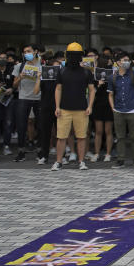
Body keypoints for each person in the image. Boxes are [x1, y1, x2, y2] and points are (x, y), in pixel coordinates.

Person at [52, 42, 95, 171]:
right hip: (64, 109)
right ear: (67, 56)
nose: (74, 58)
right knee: (61, 137)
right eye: (72, 55)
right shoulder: (62, 71)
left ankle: (81, 161)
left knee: (82, 137)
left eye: (76, 55)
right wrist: (57, 106)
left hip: (82, 109)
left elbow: (92, 90)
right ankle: (58, 161)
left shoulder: (86, 72)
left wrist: (90, 105)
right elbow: (58, 89)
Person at [108, 51, 134, 168]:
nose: (127, 62)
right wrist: (113, 107)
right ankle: (120, 159)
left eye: (128, 60)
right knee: (120, 137)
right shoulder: (112, 77)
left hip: (133, 109)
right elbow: (110, 94)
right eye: (124, 60)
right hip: (118, 110)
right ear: (118, 62)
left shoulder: (133, 74)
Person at [11, 44, 42, 162]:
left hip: (39, 98)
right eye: (24, 52)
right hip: (23, 97)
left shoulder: (42, 65)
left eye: (28, 51)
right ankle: (21, 151)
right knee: (21, 125)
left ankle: (40, 150)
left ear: (35, 52)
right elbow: (14, 85)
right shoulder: (20, 66)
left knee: (40, 125)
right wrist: (20, 77)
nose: (26, 53)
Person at [89, 56, 114, 162]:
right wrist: (98, 85)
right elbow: (92, 92)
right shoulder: (94, 76)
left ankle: (108, 154)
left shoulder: (111, 75)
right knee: (98, 131)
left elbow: (113, 90)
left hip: (109, 104)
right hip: (98, 104)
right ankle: (97, 153)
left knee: (108, 130)